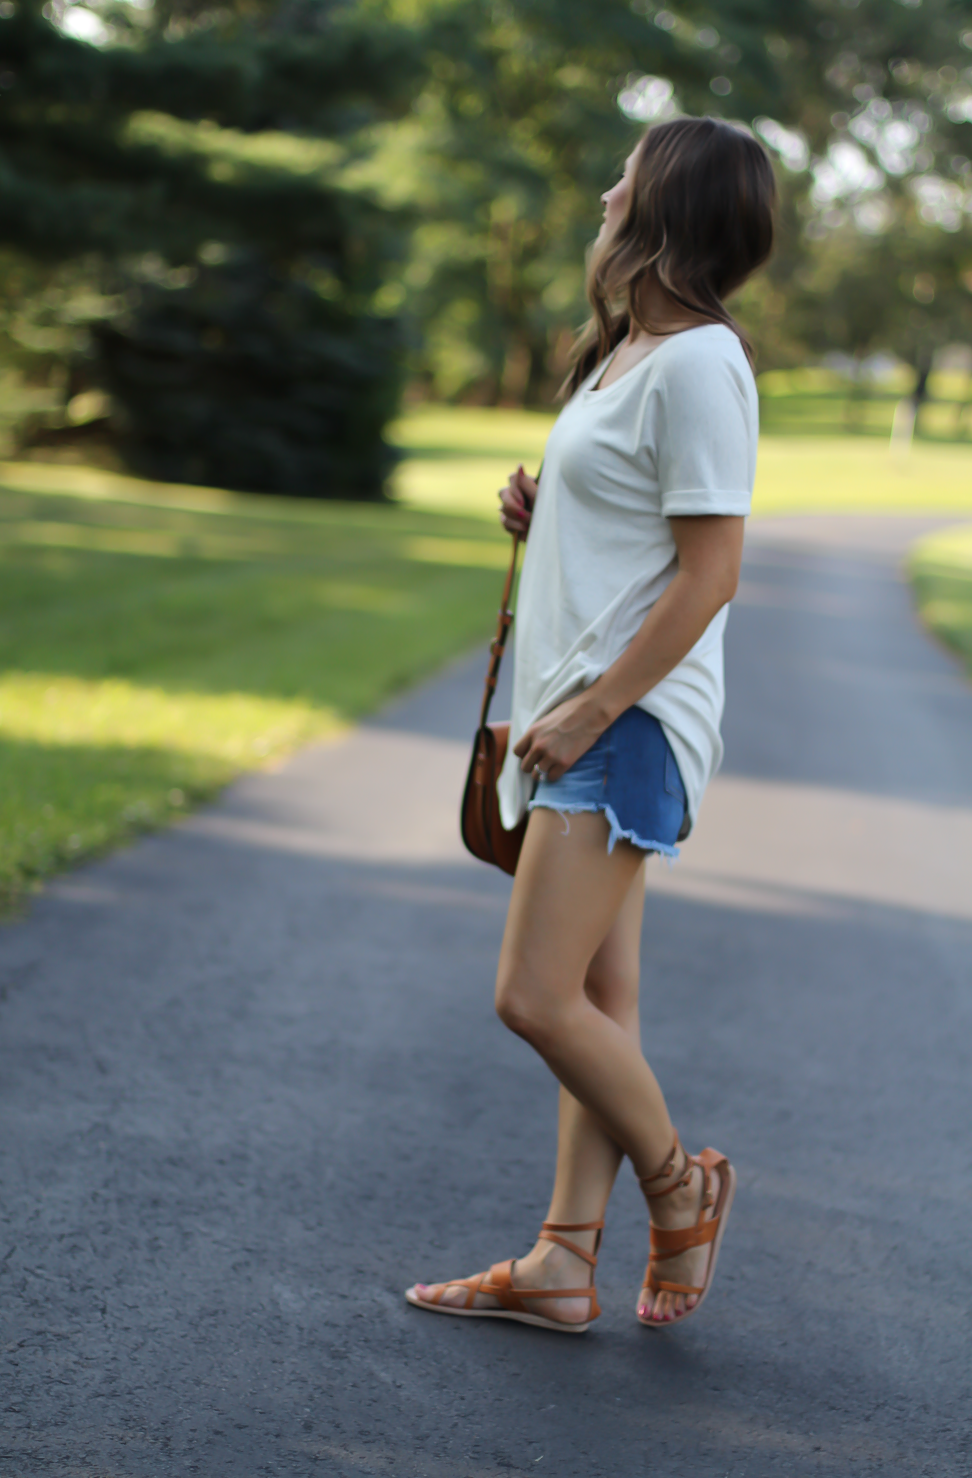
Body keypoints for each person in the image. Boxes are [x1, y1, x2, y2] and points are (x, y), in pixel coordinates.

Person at [406, 116, 775, 1332]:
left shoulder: (701, 362)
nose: (606, 188)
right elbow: (639, 528)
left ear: (661, 207)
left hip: (625, 721)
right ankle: (566, 1261)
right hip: (583, 710)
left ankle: (684, 1189)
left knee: (531, 993)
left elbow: (711, 571)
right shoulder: (623, 355)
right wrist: (545, 505)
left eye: (628, 173)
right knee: (599, 1001)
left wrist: (591, 709)